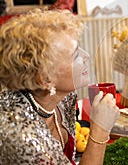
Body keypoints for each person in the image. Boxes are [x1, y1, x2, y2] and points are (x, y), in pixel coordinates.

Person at [0, 9, 120, 164]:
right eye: (75, 55)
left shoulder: (64, 97)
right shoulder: (23, 138)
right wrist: (100, 129)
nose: (86, 56)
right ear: (45, 79)